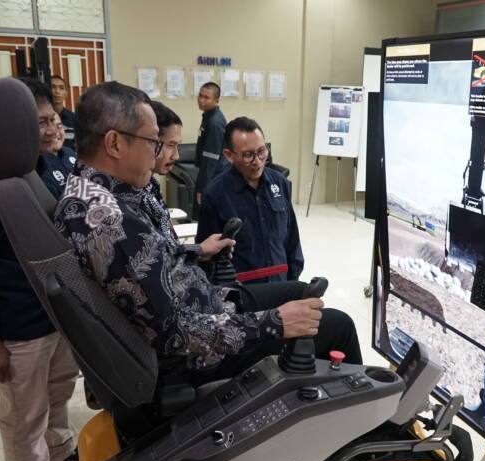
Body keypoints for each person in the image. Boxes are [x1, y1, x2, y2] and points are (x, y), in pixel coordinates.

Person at [54, 81, 361, 385]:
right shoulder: (111, 221)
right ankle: (373, 423)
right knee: (337, 325)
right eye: (152, 142)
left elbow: (150, 262)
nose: (156, 154)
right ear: (115, 144)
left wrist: (197, 251)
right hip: (200, 354)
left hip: (206, 304)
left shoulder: (92, 193)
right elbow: (174, 333)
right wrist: (276, 323)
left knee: (298, 291)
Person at [0, 77, 79, 461]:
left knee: (58, 398)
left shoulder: (51, 165)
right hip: (17, 329)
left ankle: (61, 454)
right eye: (37, 122)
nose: (49, 129)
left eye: (50, 119)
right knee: (24, 418)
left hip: (61, 317)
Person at [197, 117, 304, 283]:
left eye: (262, 151)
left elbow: (292, 239)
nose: (257, 161)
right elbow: (206, 257)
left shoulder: (280, 183)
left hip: (281, 284)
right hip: (244, 293)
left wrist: (294, 282)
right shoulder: (214, 195)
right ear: (229, 156)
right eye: (248, 155)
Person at [142, 101, 182, 246]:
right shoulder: (132, 195)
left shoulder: (151, 184)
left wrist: (201, 250)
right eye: (171, 145)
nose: (176, 156)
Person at [193, 82, 227, 218]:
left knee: (205, 215)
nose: (201, 100)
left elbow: (210, 159)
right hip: (210, 174)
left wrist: (202, 188)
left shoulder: (214, 122)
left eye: (206, 97)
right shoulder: (208, 116)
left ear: (216, 100)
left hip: (213, 176)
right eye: (200, 95)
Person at [50, 75, 77, 151]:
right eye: (53, 87)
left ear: (65, 93)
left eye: (61, 88)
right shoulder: (42, 119)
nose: (57, 91)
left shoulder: (74, 119)